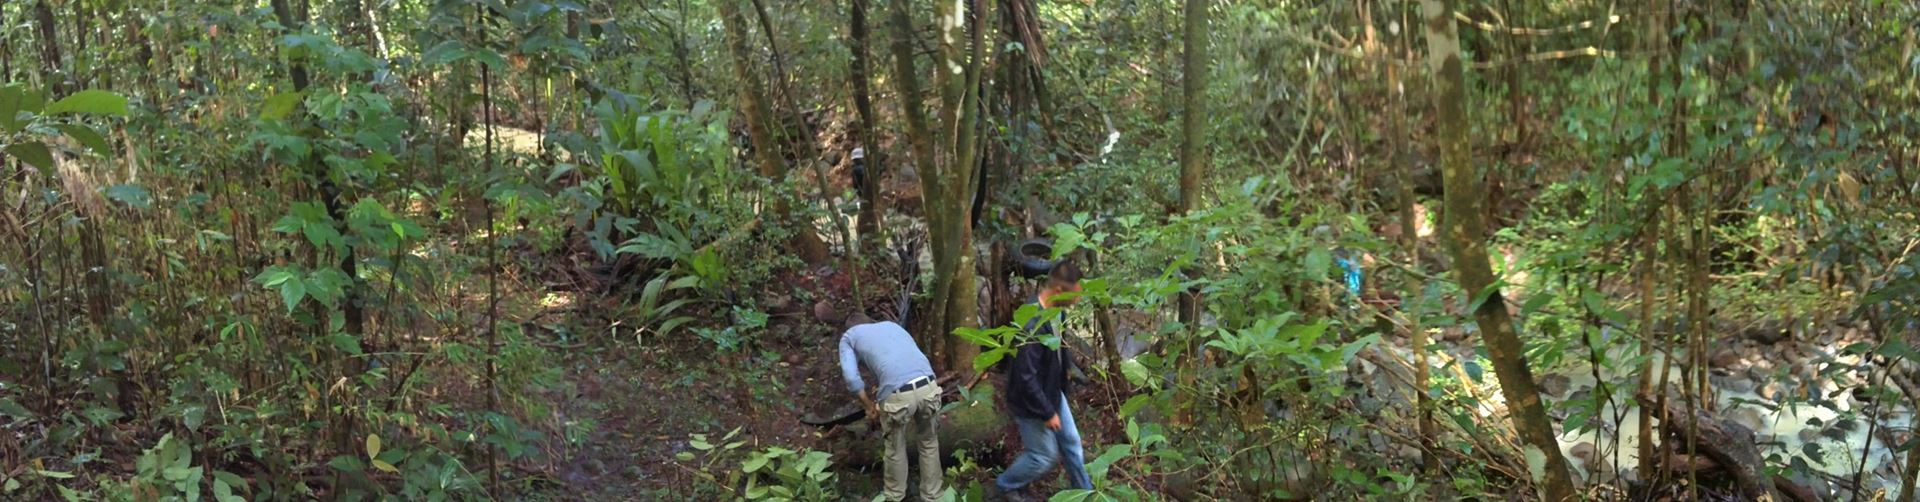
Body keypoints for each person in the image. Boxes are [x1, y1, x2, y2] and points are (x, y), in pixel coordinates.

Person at [992, 261, 1092, 500]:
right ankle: (1005, 485)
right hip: (1030, 401)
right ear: (1059, 291)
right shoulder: (1031, 323)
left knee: (1072, 443)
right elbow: (1025, 377)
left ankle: (1086, 493)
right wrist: (1048, 413)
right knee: (1043, 456)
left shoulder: (1056, 311)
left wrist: (1067, 377)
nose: (1078, 300)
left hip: (1052, 392)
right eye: (1075, 295)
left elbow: (1058, 352)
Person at [839, 312, 943, 502]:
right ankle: (933, 496)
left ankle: (895, 497)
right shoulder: (892, 326)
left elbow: (851, 378)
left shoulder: (849, 337)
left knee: (895, 448)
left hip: (898, 393)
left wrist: (868, 405)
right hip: (929, 385)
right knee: (929, 442)